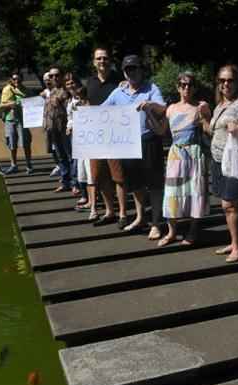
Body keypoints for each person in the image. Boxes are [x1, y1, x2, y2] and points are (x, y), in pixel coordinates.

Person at [102, 55, 166, 238]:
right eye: (128, 69)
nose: (132, 72)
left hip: (149, 141)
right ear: (124, 72)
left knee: (154, 184)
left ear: (141, 70)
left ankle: (156, 222)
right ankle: (140, 217)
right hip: (128, 144)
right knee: (136, 183)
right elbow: (101, 111)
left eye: (135, 68)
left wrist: (151, 104)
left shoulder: (152, 88)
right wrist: (79, 116)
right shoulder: (117, 92)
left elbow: (163, 109)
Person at [158, 72, 211, 246]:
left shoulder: (200, 106)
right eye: (182, 85)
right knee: (172, 193)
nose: (186, 88)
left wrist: (204, 117)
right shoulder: (171, 108)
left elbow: (209, 130)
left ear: (194, 87)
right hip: (175, 153)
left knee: (196, 192)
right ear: (177, 87)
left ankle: (192, 231)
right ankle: (172, 232)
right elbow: (160, 131)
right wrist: (148, 111)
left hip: (194, 153)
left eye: (189, 85)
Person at [205, 64, 238, 262]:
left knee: (228, 204)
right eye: (222, 80)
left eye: (230, 80)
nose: (225, 84)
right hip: (217, 159)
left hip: (233, 160)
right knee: (227, 205)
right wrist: (204, 117)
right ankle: (234, 241)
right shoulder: (220, 105)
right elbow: (212, 132)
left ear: (236, 82)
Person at [86, 46, 123, 227]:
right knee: (100, 175)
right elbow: (88, 104)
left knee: (118, 175)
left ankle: (123, 212)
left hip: (116, 135)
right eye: (99, 58)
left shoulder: (120, 80)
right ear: (94, 62)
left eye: (105, 58)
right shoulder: (90, 82)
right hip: (96, 135)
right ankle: (110, 211)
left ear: (110, 60)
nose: (102, 61)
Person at [65, 79, 97, 219]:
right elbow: (71, 118)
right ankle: (90, 201)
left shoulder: (90, 107)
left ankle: (94, 206)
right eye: (77, 98)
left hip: (90, 145)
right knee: (83, 174)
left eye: (81, 98)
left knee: (91, 176)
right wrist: (70, 126)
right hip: (80, 143)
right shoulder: (74, 106)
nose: (79, 101)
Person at [42, 65, 73, 192]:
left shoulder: (66, 92)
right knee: (60, 157)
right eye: (51, 75)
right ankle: (66, 182)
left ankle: (74, 183)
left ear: (61, 76)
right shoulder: (51, 91)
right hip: (53, 129)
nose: (54, 78)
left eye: (56, 75)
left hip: (64, 129)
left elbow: (70, 111)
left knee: (70, 156)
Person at [0, 72, 33, 175]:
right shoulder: (7, 89)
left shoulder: (27, 91)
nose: (16, 81)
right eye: (14, 79)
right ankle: (13, 165)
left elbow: (33, 104)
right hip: (10, 120)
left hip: (23, 121)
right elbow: (0, 105)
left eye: (19, 79)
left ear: (22, 79)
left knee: (26, 143)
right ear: (11, 80)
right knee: (12, 143)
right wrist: (11, 104)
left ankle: (29, 165)